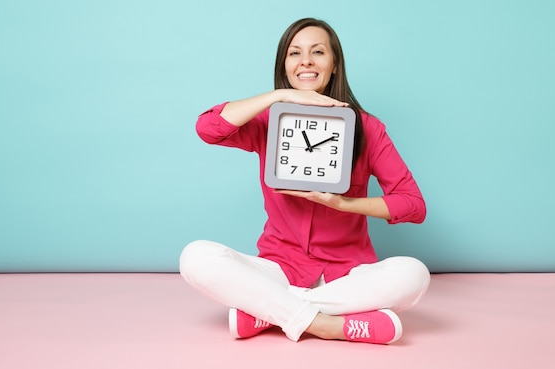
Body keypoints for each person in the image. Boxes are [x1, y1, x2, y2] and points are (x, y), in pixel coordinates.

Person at [179, 18, 430, 345]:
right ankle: (328, 325)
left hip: (346, 275)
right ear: (285, 65)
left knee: (414, 275)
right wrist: (279, 96)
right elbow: (207, 128)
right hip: (278, 268)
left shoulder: (368, 128)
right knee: (195, 257)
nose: (306, 61)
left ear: (334, 64)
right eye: (295, 53)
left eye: (318, 52)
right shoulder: (270, 121)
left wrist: (343, 203)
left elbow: (413, 205)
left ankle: (268, 312)